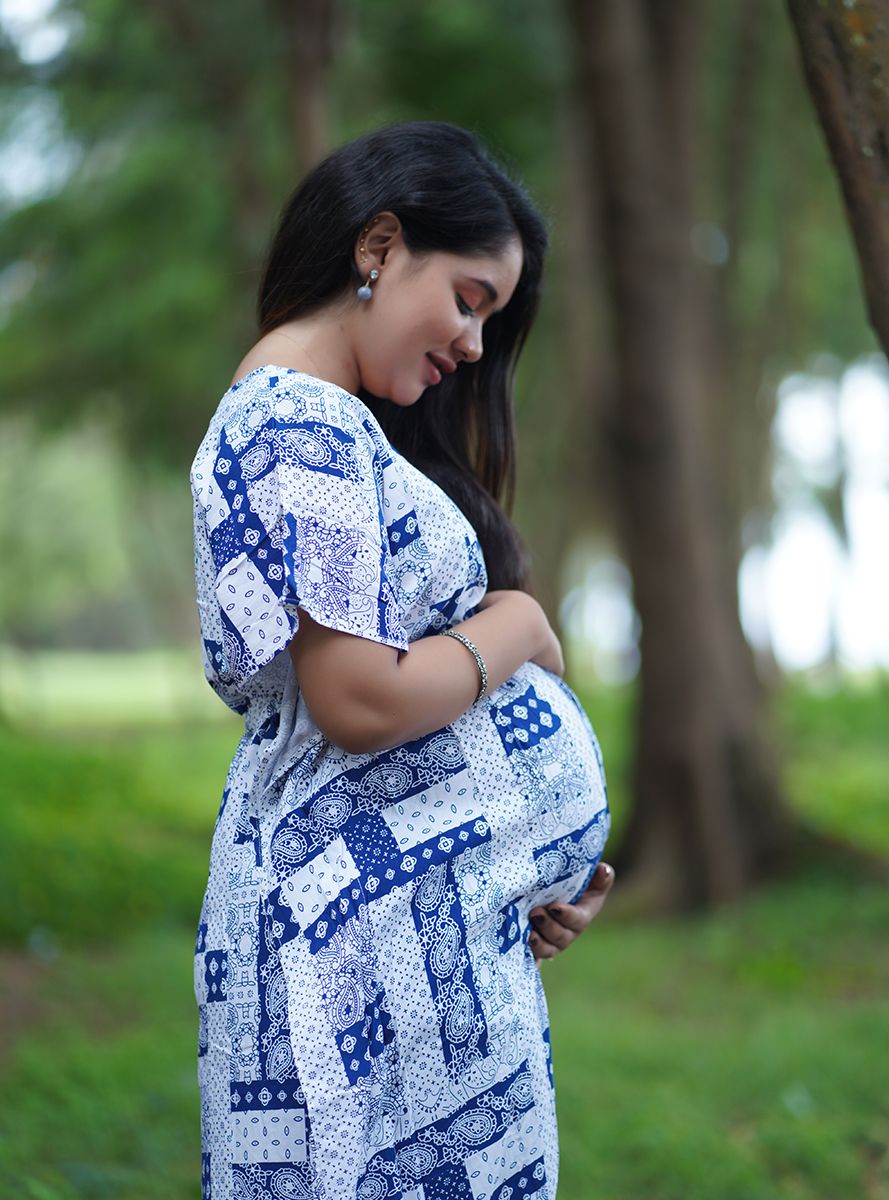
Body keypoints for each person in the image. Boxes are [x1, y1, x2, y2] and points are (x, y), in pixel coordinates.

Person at [190, 120, 613, 1200]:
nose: (475, 344)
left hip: (413, 949)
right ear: (379, 247)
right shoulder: (300, 426)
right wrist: (517, 624)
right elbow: (359, 700)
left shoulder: (337, 426)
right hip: (353, 964)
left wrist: (521, 866)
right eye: (471, 300)